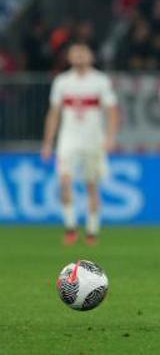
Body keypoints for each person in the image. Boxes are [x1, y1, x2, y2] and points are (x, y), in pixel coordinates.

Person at [42, 43, 118, 245]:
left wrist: (110, 137)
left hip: (94, 140)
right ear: (69, 57)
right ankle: (71, 228)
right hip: (68, 139)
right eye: (75, 53)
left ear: (91, 56)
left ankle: (92, 231)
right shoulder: (62, 81)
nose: (79, 56)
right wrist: (48, 142)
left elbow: (112, 111)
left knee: (92, 185)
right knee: (64, 181)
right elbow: (54, 113)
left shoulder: (100, 81)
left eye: (83, 52)